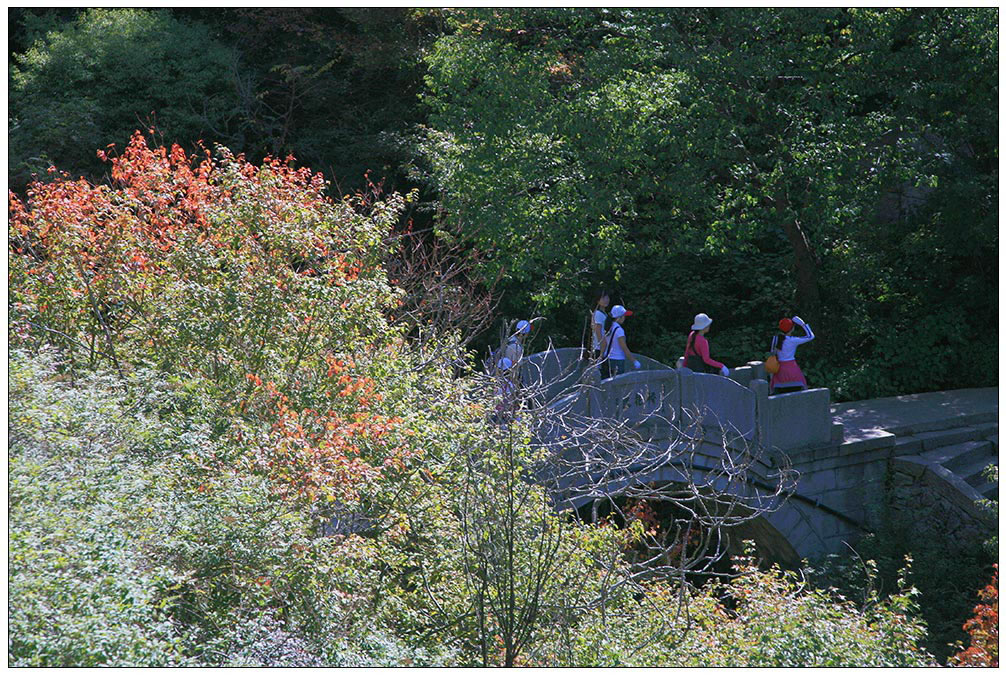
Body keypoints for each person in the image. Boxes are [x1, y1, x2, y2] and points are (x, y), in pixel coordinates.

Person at [769, 315, 815, 395]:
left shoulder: (776, 339)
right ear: (792, 329)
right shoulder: (793, 340)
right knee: (803, 388)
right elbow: (811, 336)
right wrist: (803, 324)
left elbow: (772, 353)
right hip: (792, 369)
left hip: (779, 371)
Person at [602, 305, 641, 377]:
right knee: (617, 385)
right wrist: (634, 361)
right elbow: (624, 348)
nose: (624, 318)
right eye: (624, 316)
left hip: (607, 359)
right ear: (619, 317)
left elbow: (604, 343)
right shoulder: (619, 330)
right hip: (617, 361)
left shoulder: (608, 327)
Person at [587, 289, 611, 360]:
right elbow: (598, 331)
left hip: (603, 348)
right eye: (603, 298)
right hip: (599, 348)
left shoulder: (604, 314)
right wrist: (603, 348)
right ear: (598, 300)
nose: (606, 300)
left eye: (607, 297)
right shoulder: (598, 314)